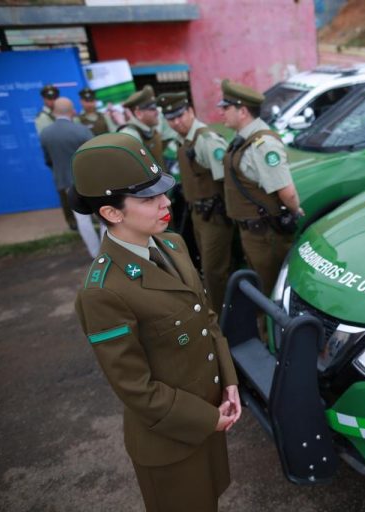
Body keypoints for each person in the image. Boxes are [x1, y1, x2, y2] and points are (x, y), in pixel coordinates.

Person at [71, 132, 241, 512]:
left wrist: (229, 382)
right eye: (149, 198)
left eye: (163, 191)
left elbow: (207, 319)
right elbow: (136, 389)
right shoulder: (103, 292)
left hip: (209, 419)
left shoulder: (173, 244)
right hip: (172, 441)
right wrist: (207, 418)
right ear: (112, 213)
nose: (166, 202)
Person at [219, 78, 304, 299]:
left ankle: (270, 333)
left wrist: (295, 210)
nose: (221, 113)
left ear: (243, 111)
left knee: (270, 291)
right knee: (260, 286)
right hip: (253, 233)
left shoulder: (263, 145)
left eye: (226, 108)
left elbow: (288, 192)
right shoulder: (243, 139)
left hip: (265, 235)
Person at [158, 91, 234, 314]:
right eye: (171, 118)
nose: (176, 122)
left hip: (215, 216)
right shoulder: (184, 140)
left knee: (214, 270)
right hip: (198, 214)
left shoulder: (206, 141)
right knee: (205, 266)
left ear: (191, 111)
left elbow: (228, 181)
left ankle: (222, 315)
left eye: (180, 115)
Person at [39, 97, 101, 255]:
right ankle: (108, 250)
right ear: (72, 111)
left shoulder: (46, 133)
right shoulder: (82, 130)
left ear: (54, 112)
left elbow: (48, 159)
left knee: (82, 219)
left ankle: (95, 253)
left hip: (66, 182)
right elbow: (96, 155)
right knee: (102, 215)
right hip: (89, 180)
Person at [118, 85, 166, 168]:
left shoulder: (150, 128)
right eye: (152, 109)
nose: (157, 112)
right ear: (138, 113)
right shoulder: (130, 136)